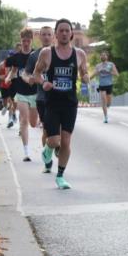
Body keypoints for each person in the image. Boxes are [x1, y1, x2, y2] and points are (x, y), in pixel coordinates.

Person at [31, 19, 90, 189]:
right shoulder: (47, 53)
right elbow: (36, 74)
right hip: (52, 102)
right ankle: (47, 150)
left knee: (66, 141)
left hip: (70, 103)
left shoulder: (79, 54)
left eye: (67, 31)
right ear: (56, 34)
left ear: (71, 34)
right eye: (61, 30)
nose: (64, 33)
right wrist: (43, 83)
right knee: (53, 140)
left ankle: (60, 176)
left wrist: (86, 78)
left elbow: (84, 73)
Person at [24, 26, 57, 172]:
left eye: (49, 34)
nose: (46, 37)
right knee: (47, 131)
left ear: (53, 36)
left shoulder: (60, 53)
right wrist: (29, 79)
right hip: (42, 98)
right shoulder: (34, 55)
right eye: (43, 34)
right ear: (39, 37)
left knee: (60, 132)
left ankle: (56, 146)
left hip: (60, 97)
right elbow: (25, 73)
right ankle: (47, 161)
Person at [5, 29, 40, 161]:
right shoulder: (17, 57)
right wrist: (8, 77)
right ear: (21, 41)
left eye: (28, 41)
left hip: (35, 93)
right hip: (21, 93)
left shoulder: (37, 55)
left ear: (31, 41)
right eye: (23, 41)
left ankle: (36, 121)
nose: (25, 43)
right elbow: (13, 71)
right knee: (24, 120)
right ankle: (26, 152)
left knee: (33, 123)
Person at [94, 51, 119, 123]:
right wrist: (87, 79)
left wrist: (109, 71)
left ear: (107, 57)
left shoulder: (111, 64)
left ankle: (108, 106)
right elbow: (94, 73)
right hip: (102, 85)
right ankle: (105, 117)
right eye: (101, 55)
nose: (103, 56)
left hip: (109, 84)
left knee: (109, 103)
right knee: (103, 100)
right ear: (100, 57)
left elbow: (117, 74)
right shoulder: (98, 66)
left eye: (104, 55)